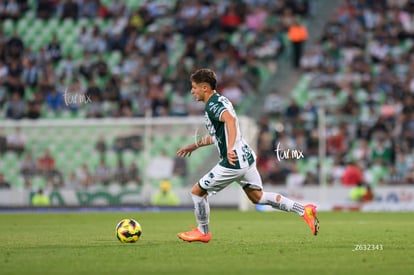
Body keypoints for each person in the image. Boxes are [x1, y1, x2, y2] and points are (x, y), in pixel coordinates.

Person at [176, 69, 319, 243]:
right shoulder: (221, 100)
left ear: (205, 87)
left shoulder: (212, 105)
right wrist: (195, 145)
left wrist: (229, 149)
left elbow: (229, 120)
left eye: (194, 87)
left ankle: (203, 231)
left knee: (197, 192)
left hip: (233, 161)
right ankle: (304, 210)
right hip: (245, 157)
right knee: (258, 197)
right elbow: (218, 134)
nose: (192, 91)